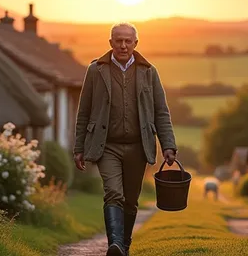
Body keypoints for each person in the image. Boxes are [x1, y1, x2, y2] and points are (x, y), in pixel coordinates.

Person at [73, 22, 178, 256]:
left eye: (127, 41)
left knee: (131, 201)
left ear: (135, 43)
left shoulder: (148, 71)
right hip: (106, 146)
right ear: (110, 43)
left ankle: (124, 246)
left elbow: (161, 112)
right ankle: (116, 245)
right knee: (113, 193)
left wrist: (168, 145)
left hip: (138, 147)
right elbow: (84, 111)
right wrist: (79, 147)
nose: (122, 45)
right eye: (118, 41)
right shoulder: (95, 70)